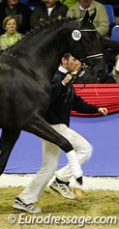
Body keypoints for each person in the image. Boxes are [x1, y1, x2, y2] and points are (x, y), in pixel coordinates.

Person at [13, 53, 108, 213]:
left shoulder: (67, 78)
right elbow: (48, 98)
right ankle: (61, 179)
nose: (76, 62)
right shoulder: (54, 76)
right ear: (64, 61)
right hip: (55, 127)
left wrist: (96, 109)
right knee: (85, 148)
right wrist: (64, 83)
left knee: (48, 167)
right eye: (73, 59)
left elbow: (76, 103)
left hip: (52, 128)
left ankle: (24, 200)